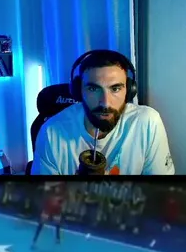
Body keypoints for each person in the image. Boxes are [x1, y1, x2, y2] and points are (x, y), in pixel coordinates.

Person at [31, 50, 174, 175]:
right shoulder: (51, 132)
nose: (105, 103)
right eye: (93, 89)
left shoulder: (147, 123)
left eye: (115, 89)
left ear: (129, 91)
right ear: (79, 91)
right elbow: (44, 196)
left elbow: (161, 193)